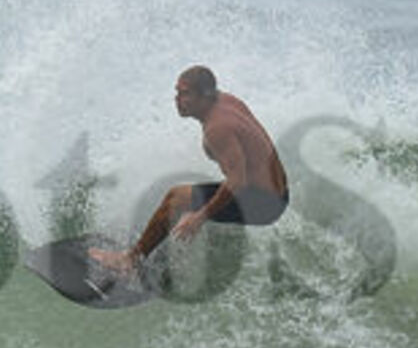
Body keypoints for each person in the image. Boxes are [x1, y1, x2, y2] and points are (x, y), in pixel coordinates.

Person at [88, 65, 289, 275]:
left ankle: (130, 261)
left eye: (185, 94)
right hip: (277, 193)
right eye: (177, 92)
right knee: (186, 198)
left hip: (265, 204)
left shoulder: (218, 127)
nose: (177, 100)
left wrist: (200, 216)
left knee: (176, 197)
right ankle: (160, 247)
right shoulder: (226, 101)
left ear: (204, 96)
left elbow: (238, 181)